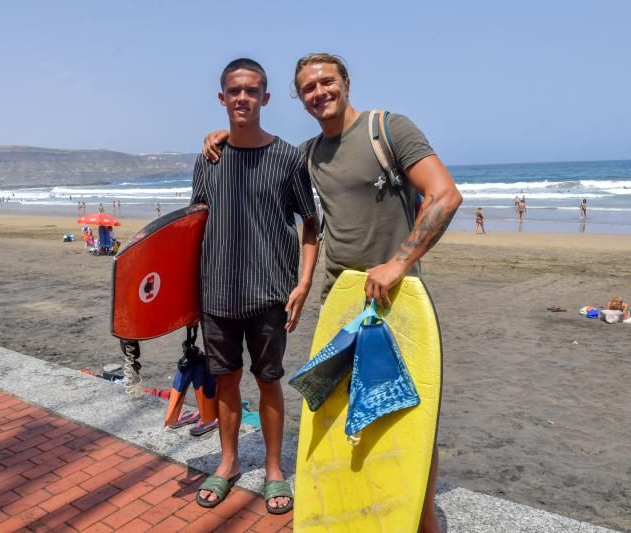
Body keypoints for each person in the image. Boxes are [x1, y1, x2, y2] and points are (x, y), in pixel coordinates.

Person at [203, 53, 462, 532]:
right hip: (340, 299)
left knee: (408, 415)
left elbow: (445, 195)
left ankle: (422, 522)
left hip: (397, 299)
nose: (319, 92)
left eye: (326, 82)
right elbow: (263, 156)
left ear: (346, 83)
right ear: (300, 100)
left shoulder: (389, 129)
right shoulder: (305, 154)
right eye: (308, 88)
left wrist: (399, 263)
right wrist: (223, 135)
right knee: (343, 412)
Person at [193, 58, 319, 515]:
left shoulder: (288, 158)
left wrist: (303, 283)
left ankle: (273, 469)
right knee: (225, 382)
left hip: (270, 294)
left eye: (252, 90)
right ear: (222, 98)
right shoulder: (208, 157)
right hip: (217, 293)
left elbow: (310, 221)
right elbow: (193, 226)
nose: (242, 97)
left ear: (265, 98)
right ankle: (227, 463)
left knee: (269, 381)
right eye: (234, 90)